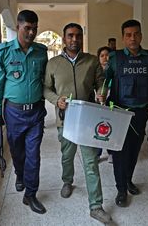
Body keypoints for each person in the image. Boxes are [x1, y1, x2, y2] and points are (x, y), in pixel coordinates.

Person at [43, 23, 112, 224]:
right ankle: (67, 181)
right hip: (65, 120)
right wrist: (57, 100)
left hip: (87, 120)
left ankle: (96, 206)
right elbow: (46, 88)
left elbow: (101, 82)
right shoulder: (53, 63)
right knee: (67, 155)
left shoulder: (91, 61)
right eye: (71, 36)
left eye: (78, 36)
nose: (75, 39)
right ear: (64, 39)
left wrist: (102, 93)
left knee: (91, 162)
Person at [0, 10, 48, 214]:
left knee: (34, 154)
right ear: (18, 27)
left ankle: (30, 194)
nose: (31, 32)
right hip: (13, 112)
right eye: (27, 28)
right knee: (17, 151)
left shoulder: (41, 51)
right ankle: (20, 174)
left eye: (35, 28)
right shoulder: (4, 51)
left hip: (35, 113)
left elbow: (46, 80)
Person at [105, 19, 148, 207]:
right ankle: (121, 189)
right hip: (119, 113)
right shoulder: (115, 58)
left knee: (134, 150)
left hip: (141, 113)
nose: (133, 38)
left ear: (141, 36)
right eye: (128, 35)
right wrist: (100, 95)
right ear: (123, 38)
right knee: (120, 152)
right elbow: (103, 82)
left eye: (136, 34)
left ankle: (128, 180)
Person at [95, 46, 113, 163]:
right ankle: (97, 153)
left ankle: (111, 152)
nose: (105, 58)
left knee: (112, 127)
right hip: (98, 104)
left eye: (108, 55)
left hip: (111, 103)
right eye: (102, 55)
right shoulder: (95, 72)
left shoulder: (114, 70)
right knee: (98, 128)